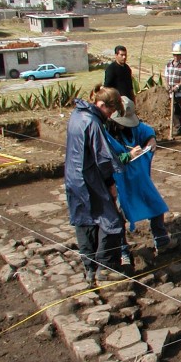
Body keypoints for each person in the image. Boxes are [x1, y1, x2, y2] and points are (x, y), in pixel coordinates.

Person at [64, 85, 126, 286]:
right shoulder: (92, 123)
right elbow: (102, 158)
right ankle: (106, 268)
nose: (110, 116)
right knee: (112, 221)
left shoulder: (77, 115)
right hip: (90, 178)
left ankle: (90, 268)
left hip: (74, 177)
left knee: (86, 220)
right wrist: (110, 183)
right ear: (101, 104)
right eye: (110, 111)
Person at [105, 96, 175, 264]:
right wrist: (127, 156)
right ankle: (122, 251)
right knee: (119, 216)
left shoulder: (134, 129)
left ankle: (161, 239)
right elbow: (106, 158)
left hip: (139, 178)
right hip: (119, 181)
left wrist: (151, 141)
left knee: (155, 205)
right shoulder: (104, 133)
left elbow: (147, 131)